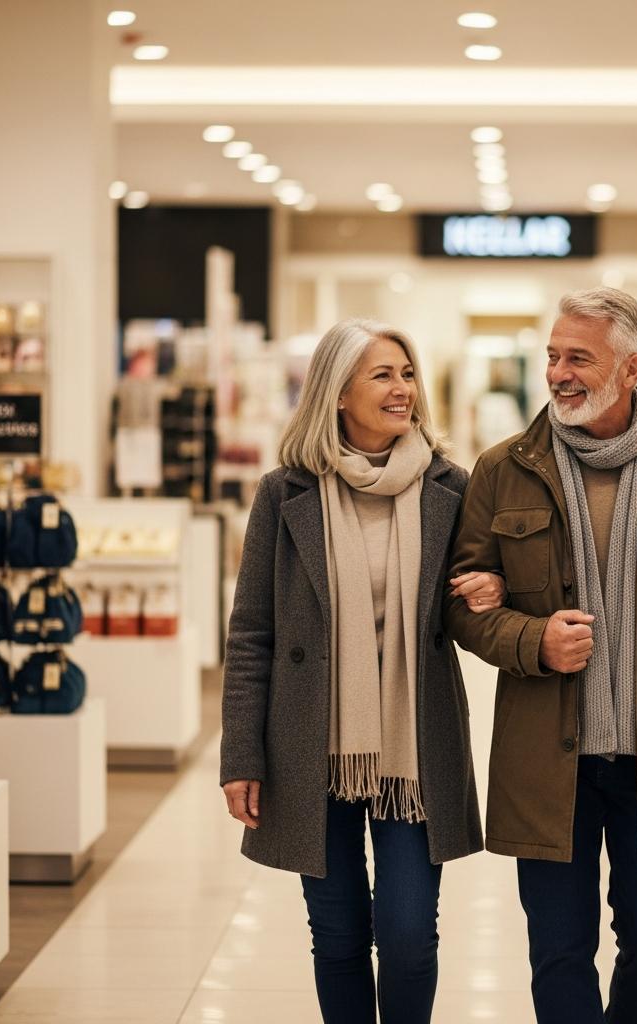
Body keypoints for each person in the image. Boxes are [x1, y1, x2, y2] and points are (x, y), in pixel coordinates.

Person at [444, 287, 637, 1024]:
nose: (558, 372)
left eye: (578, 357)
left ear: (632, 367)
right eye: (552, 355)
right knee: (557, 952)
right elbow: (459, 606)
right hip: (546, 760)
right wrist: (533, 640)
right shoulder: (502, 470)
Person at [220, 318, 506, 1024]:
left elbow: (478, 604)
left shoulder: (452, 487)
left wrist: (492, 592)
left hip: (416, 741)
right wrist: (240, 756)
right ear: (337, 393)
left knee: (409, 936)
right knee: (340, 935)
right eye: (382, 375)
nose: (402, 388)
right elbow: (252, 634)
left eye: (407, 374)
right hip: (312, 743)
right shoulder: (284, 493)